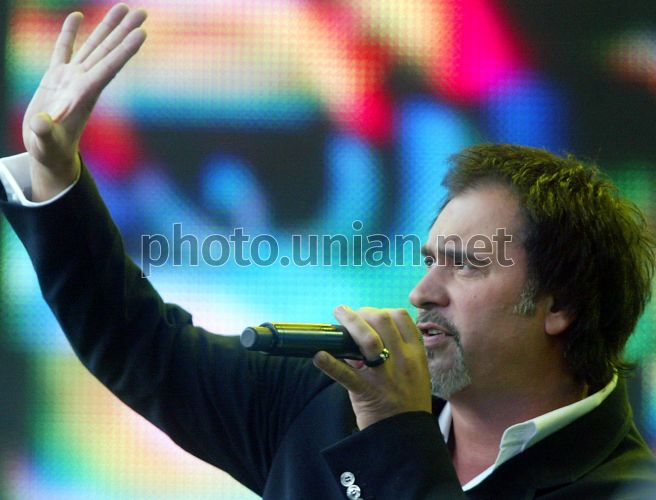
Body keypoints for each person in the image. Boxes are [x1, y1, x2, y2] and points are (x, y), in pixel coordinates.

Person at [1, 4, 655, 499]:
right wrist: (55, 178)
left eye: (467, 265)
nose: (423, 291)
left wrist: (394, 437)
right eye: (430, 259)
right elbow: (141, 346)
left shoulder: (626, 486)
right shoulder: (327, 407)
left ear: (561, 303)